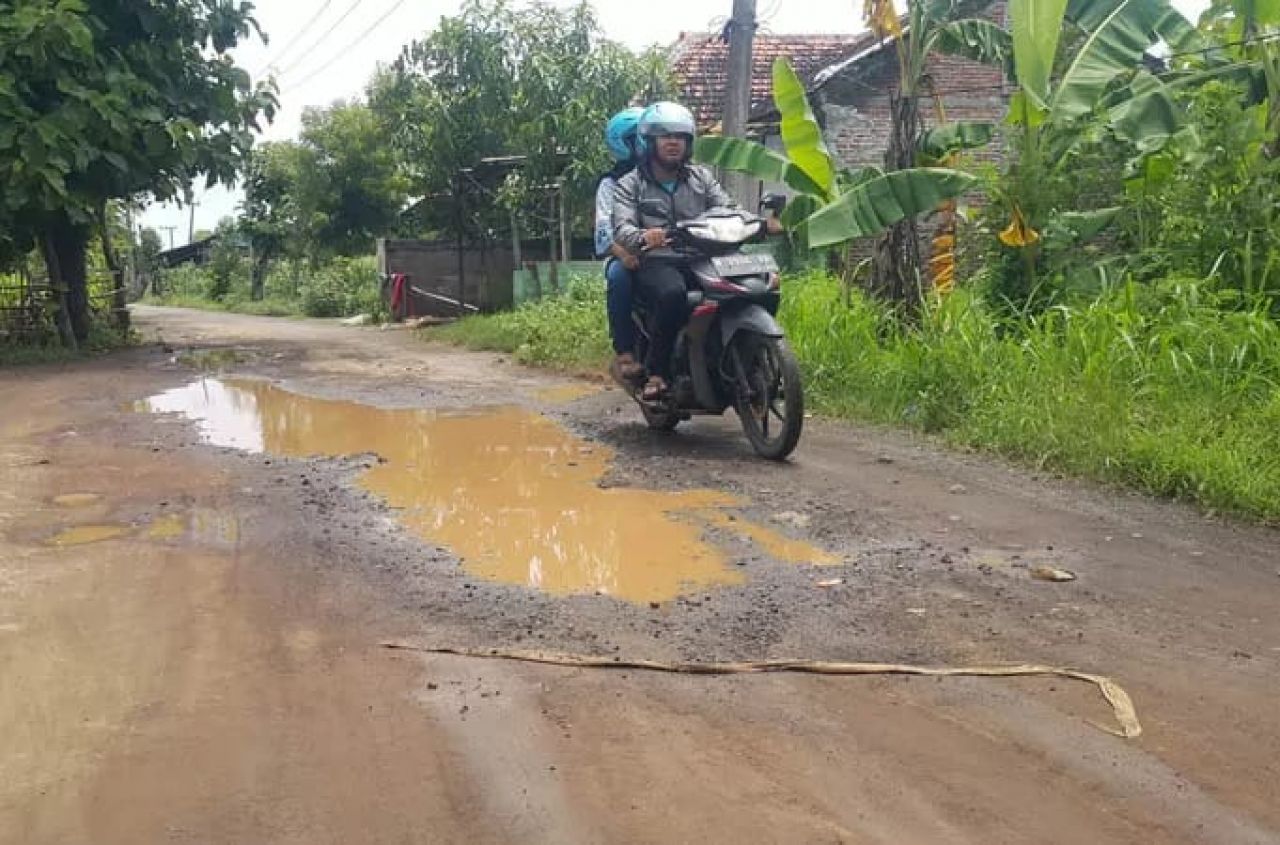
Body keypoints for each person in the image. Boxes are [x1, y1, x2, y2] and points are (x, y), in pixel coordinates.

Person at [612, 102, 738, 401]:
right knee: (672, 294)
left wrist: (752, 221)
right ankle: (658, 373)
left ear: (689, 143)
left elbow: (726, 206)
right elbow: (622, 228)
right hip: (657, 262)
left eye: (680, 137)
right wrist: (644, 236)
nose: (673, 142)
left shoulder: (701, 178)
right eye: (664, 136)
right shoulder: (631, 184)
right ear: (649, 141)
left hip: (703, 257)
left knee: (744, 285)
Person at [596, 106, 645, 383]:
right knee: (619, 278)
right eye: (639, 137)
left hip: (668, 251)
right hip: (625, 253)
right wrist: (623, 255)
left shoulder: (669, 173)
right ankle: (625, 352)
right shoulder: (610, 184)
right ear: (623, 142)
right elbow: (603, 231)